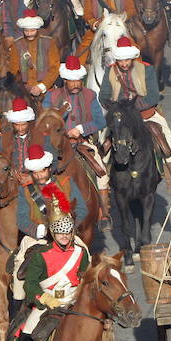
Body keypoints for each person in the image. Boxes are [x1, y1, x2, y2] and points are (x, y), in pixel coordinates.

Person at [4, 210, 90, 341]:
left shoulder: (80, 253)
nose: (64, 237)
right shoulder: (41, 255)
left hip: (73, 299)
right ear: (53, 233)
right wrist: (43, 298)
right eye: (60, 233)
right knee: (27, 329)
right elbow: (31, 284)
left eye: (67, 233)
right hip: (48, 301)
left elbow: (86, 276)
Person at [99, 36, 171, 194]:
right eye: (121, 61)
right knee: (103, 147)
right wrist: (118, 107)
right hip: (120, 118)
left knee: (167, 142)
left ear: (132, 58)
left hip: (146, 114)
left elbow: (153, 96)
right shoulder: (110, 71)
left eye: (127, 60)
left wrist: (134, 105)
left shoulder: (147, 69)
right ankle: (104, 185)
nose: (124, 64)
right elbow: (103, 96)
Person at [44, 55, 111, 228]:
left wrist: (80, 129)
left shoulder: (89, 95)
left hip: (82, 143)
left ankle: (103, 212)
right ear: (65, 79)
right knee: (41, 173)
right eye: (71, 81)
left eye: (78, 81)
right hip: (56, 146)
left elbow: (100, 121)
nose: (75, 84)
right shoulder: (51, 96)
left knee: (101, 172)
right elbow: (45, 120)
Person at [17, 144, 88, 240]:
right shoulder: (25, 190)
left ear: (49, 168)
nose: (39, 176)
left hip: (68, 236)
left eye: (42, 171)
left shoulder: (66, 182)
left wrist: (70, 228)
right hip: (38, 239)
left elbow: (81, 208)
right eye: (35, 172)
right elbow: (21, 219)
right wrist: (38, 231)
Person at [8, 9, 62, 98]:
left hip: (47, 90)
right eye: (26, 31)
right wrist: (26, 88)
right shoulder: (16, 44)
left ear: (37, 29)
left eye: (32, 31)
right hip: (23, 91)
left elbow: (55, 67)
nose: (29, 34)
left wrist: (42, 86)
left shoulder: (49, 42)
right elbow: (13, 70)